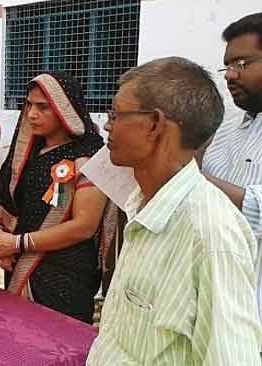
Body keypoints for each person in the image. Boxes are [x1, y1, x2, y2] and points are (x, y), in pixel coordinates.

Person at [87, 57, 262, 365]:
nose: (107, 125)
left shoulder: (211, 235)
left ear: (154, 124)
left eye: (116, 114)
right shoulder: (141, 203)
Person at [0, 72, 113, 324]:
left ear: (67, 109)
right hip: (18, 266)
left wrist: (16, 243)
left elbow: (84, 226)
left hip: (64, 278)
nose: (31, 114)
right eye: (28, 104)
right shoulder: (27, 152)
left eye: (43, 107)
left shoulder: (91, 156)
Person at [200, 12, 262, 320]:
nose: (229, 75)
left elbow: (257, 210)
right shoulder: (228, 125)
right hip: (214, 299)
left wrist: (184, 177)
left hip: (253, 307)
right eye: (228, 65)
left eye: (242, 63)